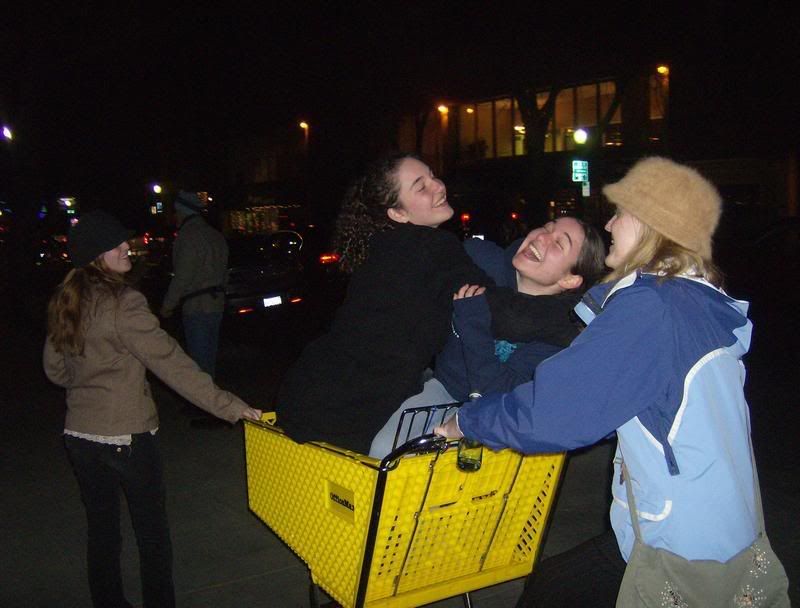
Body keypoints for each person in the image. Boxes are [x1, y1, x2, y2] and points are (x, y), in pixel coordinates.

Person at [435, 157, 789, 606]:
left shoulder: (650, 309)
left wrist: (466, 423)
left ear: (651, 224)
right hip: (715, 525)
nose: (611, 221)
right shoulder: (693, 300)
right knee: (556, 588)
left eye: (621, 212)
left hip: (681, 541)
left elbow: (557, 413)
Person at [44, 210, 262, 608]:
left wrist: (91, 379)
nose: (128, 246)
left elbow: (55, 370)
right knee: (152, 535)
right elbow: (172, 364)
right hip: (126, 436)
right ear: (97, 254)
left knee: (102, 531)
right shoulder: (124, 303)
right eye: (116, 244)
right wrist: (230, 406)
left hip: (79, 436)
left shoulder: (65, 301)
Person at [275, 152, 490, 454]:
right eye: (421, 186)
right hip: (353, 407)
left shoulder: (380, 251)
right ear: (398, 213)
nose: (438, 186)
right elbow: (496, 305)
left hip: (307, 393)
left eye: (432, 175)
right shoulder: (435, 247)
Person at [369, 216, 607, 457]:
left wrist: (473, 322)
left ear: (570, 279)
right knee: (385, 450)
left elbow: (499, 392)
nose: (542, 237)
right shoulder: (482, 263)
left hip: (499, 417)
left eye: (559, 243)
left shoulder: (560, 331)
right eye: (546, 227)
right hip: (444, 392)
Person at [160, 190, 227, 379]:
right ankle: (211, 400)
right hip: (216, 304)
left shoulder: (188, 237)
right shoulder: (215, 235)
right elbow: (224, 272)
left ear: (181, 212)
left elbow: (182, 276)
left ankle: (202, 404)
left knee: (198, 362)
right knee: (209, 358)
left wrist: (167, 306)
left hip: (197, 306)